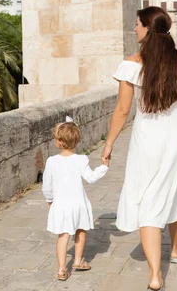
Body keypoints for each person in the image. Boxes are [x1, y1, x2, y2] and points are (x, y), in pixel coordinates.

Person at [101, 7, 177, 291]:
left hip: (147, 138)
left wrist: (109, 143)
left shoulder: (131, 64)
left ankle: (154, 274)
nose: (135, 30)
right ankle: (175, 251)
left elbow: (123, 110)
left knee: (148, 198)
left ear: (147, 29)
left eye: (137, 25)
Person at [42, 118, 110, 281]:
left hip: (61, 204)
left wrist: (49, 199)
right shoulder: (81, 159)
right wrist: (104, 166)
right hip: (78, 204)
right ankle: (78, 261)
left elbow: (47, 185)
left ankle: (61, 269)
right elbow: (91, 178)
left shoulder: (52, 161)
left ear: (58, 142)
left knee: (63, 235)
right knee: (80, 230)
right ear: (77, 141)